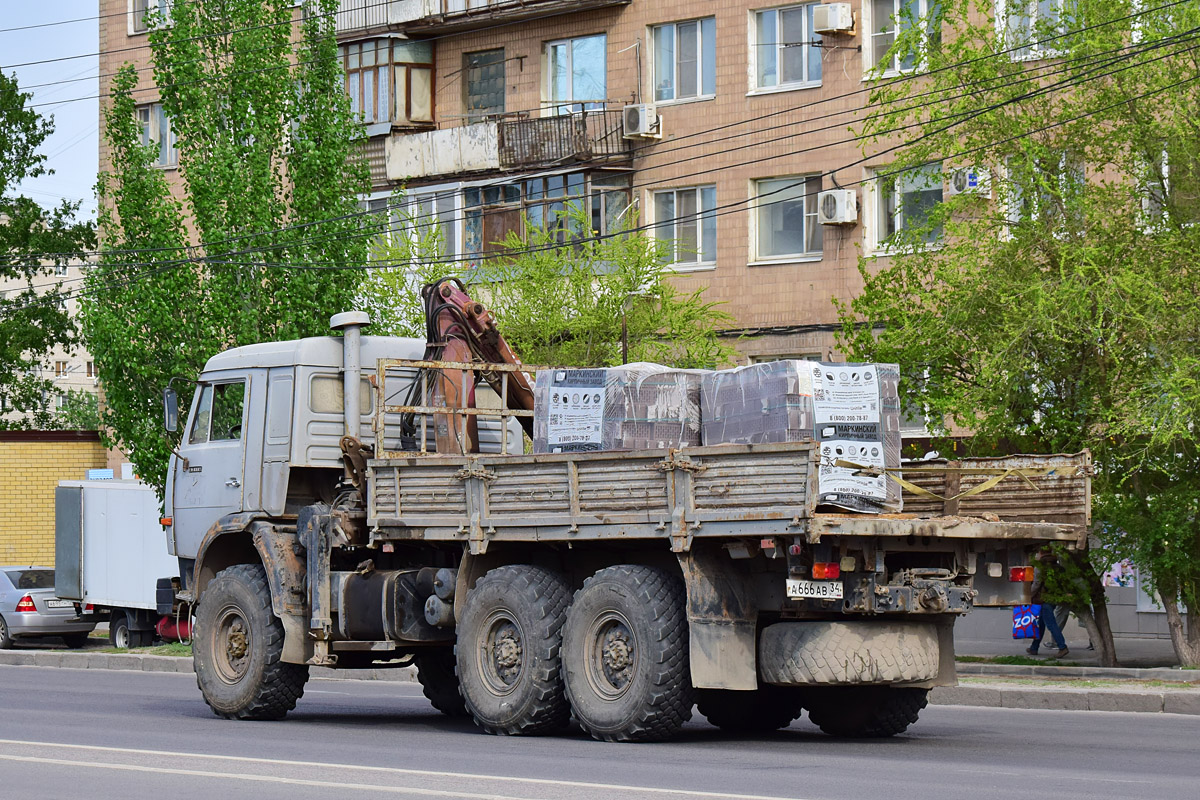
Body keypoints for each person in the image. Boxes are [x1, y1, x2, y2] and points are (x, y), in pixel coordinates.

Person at [1026, 560, 1069, 658]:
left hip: (1043, 599)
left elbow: (1036, 584)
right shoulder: (1057, 567)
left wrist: (1029, 596)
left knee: (1051, 624)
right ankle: (1034, 647)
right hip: (1053, 599)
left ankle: (1062, 647)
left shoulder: (1040, 567)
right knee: (1041, 624)